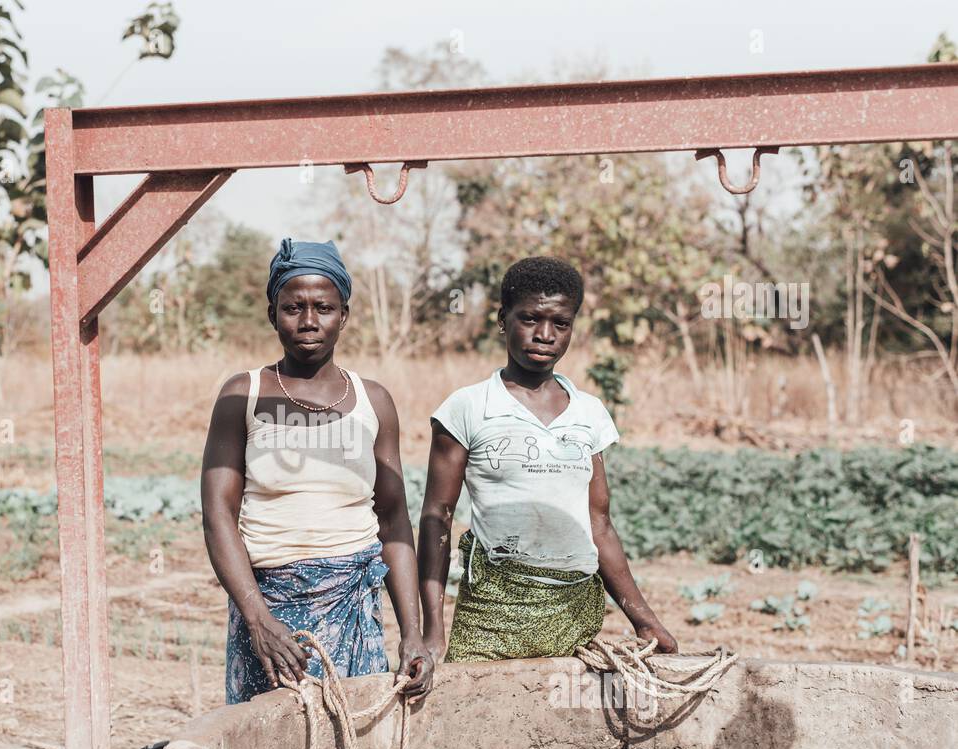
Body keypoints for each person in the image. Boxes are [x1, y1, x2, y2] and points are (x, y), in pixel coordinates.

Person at [202, 238, 435, 705]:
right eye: (293, 308)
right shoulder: (243, 394)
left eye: (324, 308)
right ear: (272, 315)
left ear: (344, 315)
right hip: (270, 609)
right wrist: (258, 618)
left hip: (353, 603)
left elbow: (393, 521)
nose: (309, 321)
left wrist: (413, 633)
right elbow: (217, 515)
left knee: (353, 745)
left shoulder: (374, 402)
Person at [417, 256, 677, 662]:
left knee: (566, 721)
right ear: (503, 320)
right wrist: (431, 632)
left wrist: (643, 619)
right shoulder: (468, 407)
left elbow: (600, 524)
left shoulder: (588, 412)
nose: (545, 335)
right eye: (530, 319)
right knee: (484, 717)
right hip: (493, 612)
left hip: (573, 613)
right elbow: (437, 517)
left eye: (561, 323)